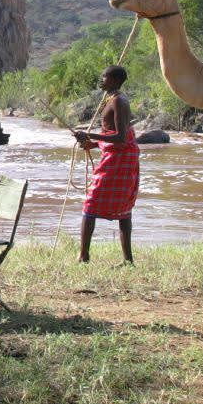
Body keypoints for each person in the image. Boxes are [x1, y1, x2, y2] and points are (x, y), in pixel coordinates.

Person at [72, 65, 139, 265]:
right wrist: (92, 144)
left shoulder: (119, 101)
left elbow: (119, 136)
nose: (101, 79)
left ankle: (84, 256)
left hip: (120, 159)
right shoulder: (112, 99)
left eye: (105, 76)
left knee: (92, 204)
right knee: (122, 207)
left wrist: (89, 135)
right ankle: (127, 260)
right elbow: (112, 136)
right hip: (119, 156)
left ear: (116, 80)